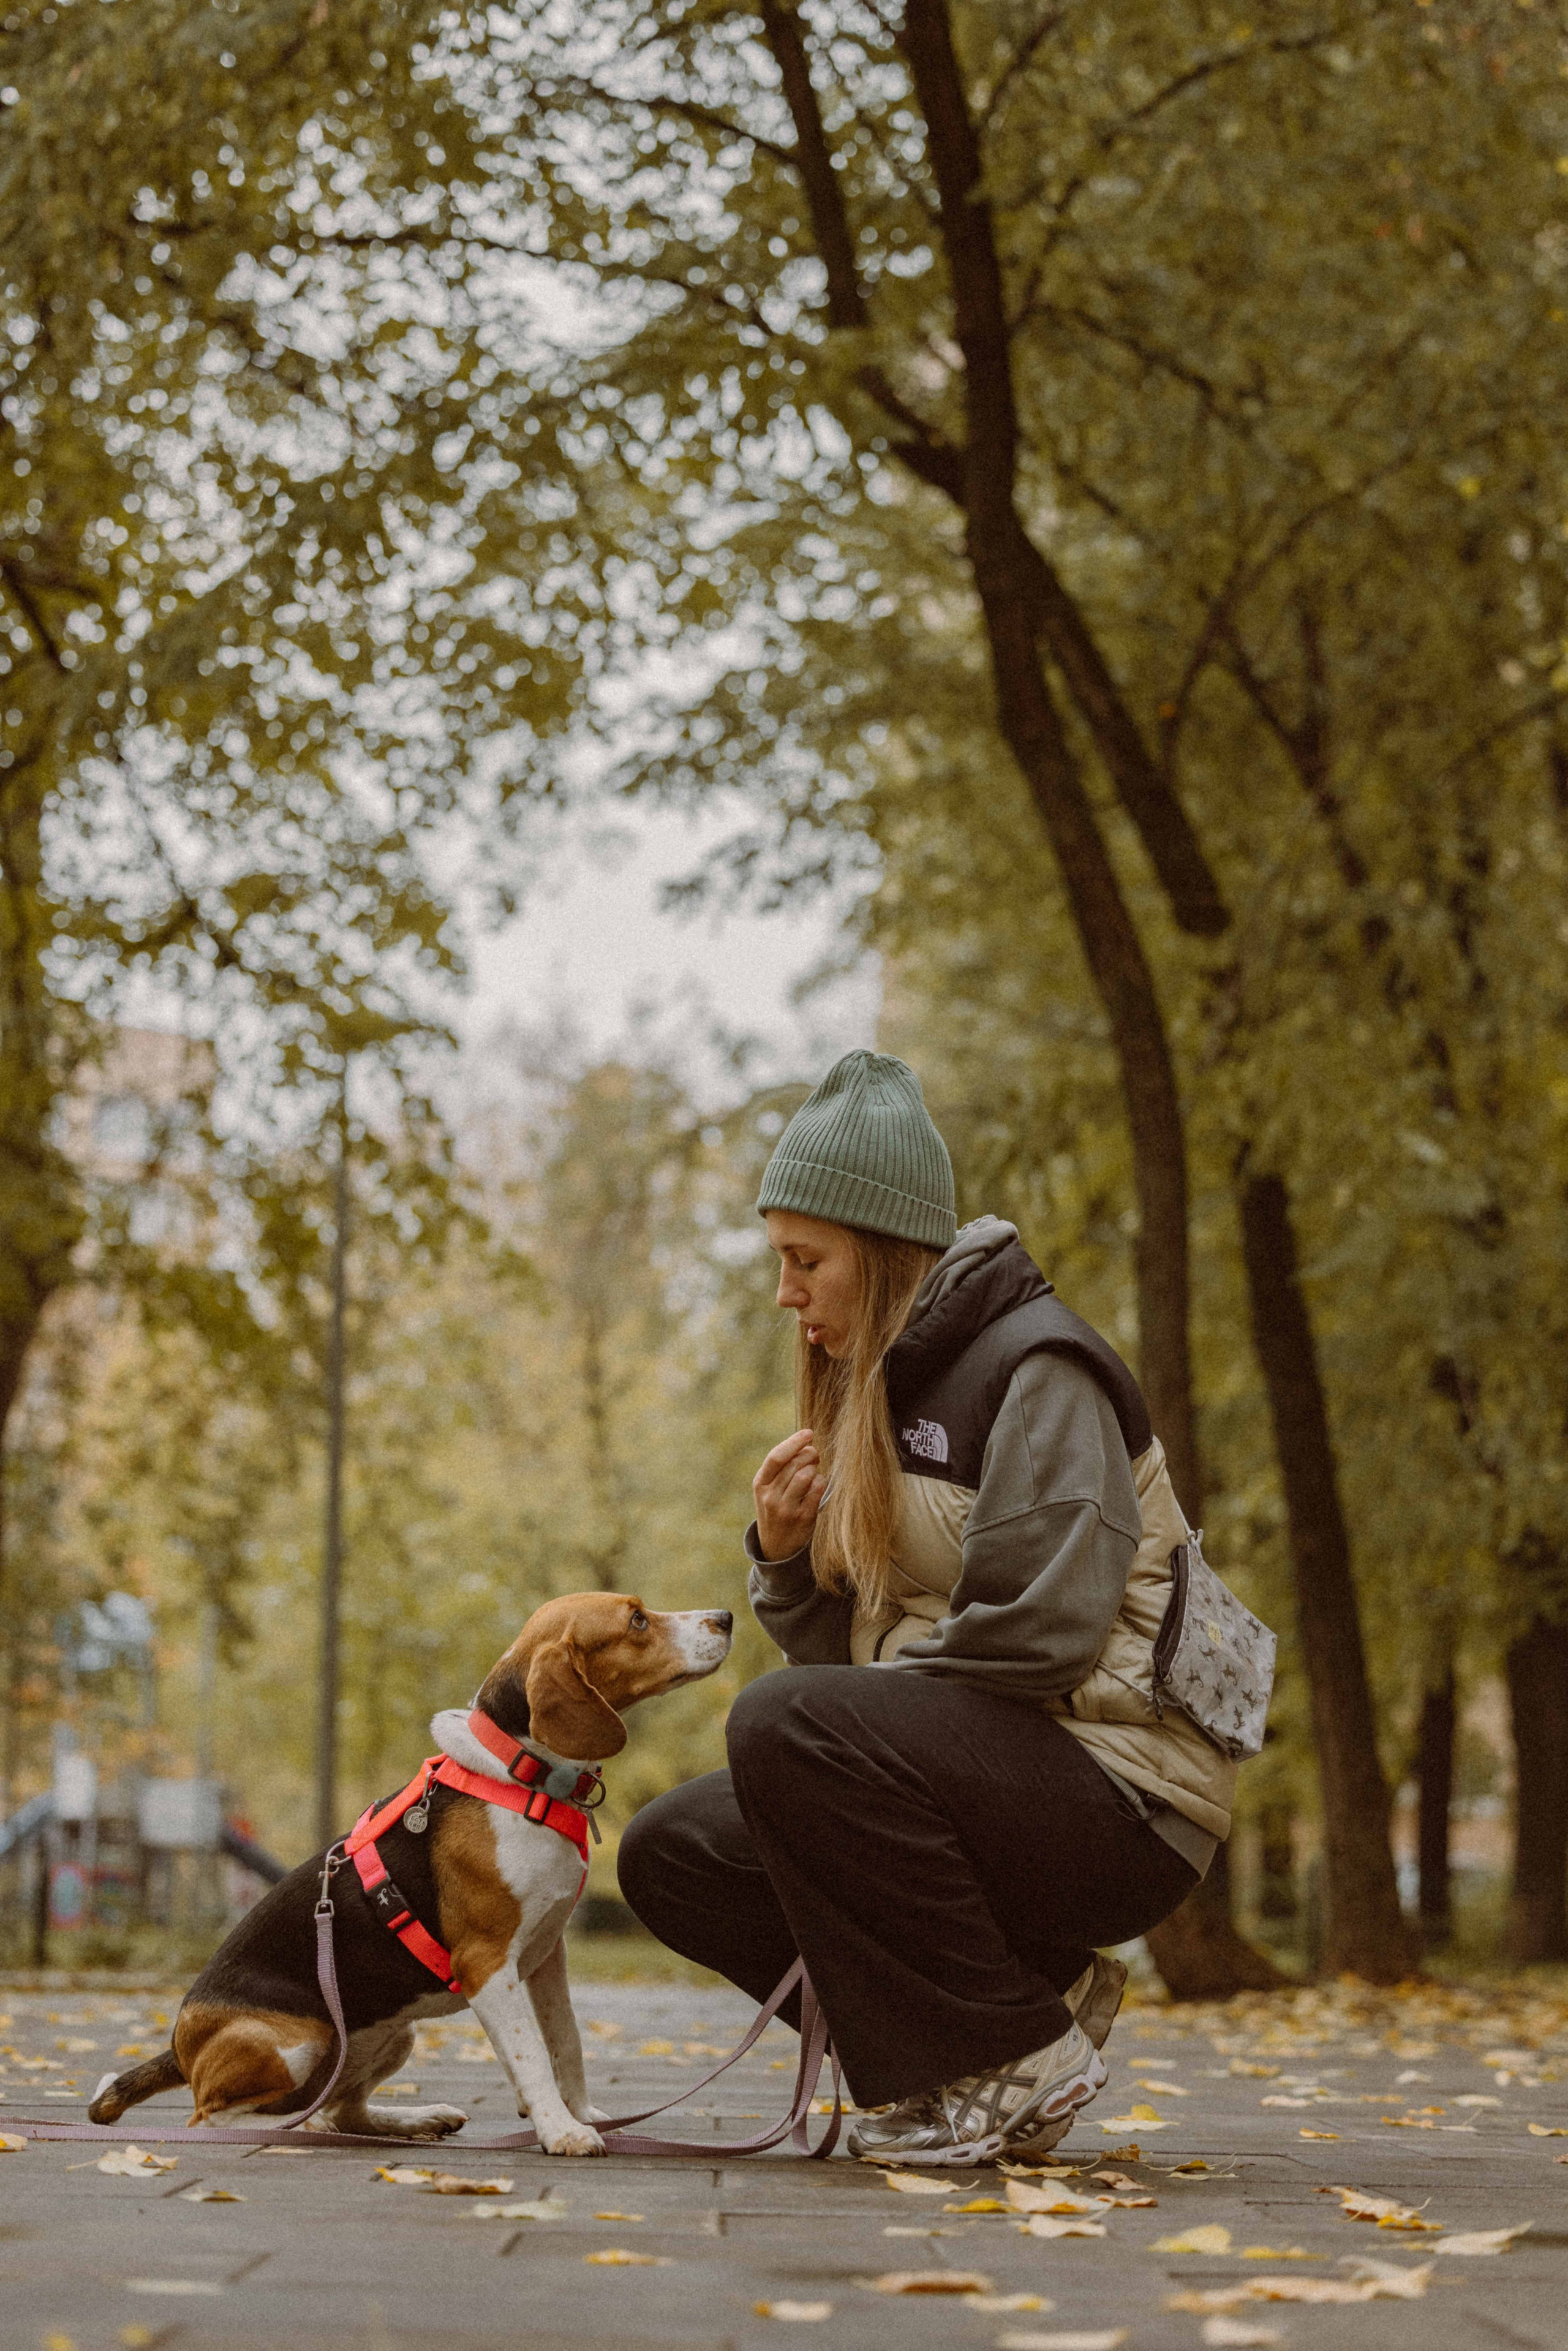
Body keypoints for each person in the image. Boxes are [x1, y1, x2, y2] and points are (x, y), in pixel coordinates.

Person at [618, 1049, 1235, 2163]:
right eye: (779, 1261)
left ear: (886, 1249)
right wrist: (788, 1561)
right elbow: (858, 1651)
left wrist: (835, 1738)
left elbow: (1041, 1630)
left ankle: (1016, 2058)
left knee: (783, 1726)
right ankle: (1010, 2007)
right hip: (1000, 1773)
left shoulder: (1036, 1364)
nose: (785, 1291)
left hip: (1126, 1790)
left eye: (807, 1260)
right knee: (673, 1851)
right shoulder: (881, 1387)